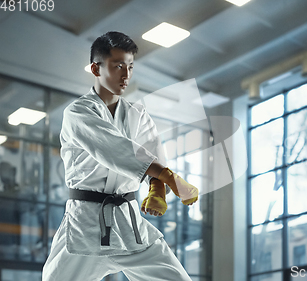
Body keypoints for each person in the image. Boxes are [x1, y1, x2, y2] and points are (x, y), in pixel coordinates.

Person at [42, 31, 198, 281]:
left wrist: (157, 189)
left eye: (130, 67)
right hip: (86, 225)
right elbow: (113, 148)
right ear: (96, 68)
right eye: (118, 66)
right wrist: (168, 176)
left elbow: (154, 153)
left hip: (130, 225)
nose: (126, 75)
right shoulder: (78, 113)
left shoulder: (138, 115)